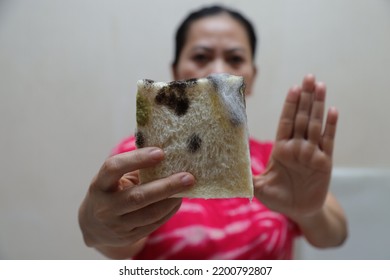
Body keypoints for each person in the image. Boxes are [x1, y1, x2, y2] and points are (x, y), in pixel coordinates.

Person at [78, 5, 347, 259]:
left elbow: (334, 236)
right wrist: (98, 227)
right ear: (175, 73)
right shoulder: (139, 157)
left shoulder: (277, 161)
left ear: (251, 77)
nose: (218, 72)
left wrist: (309, 212)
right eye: (201, 56)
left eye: (235, 58)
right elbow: (118, 244)